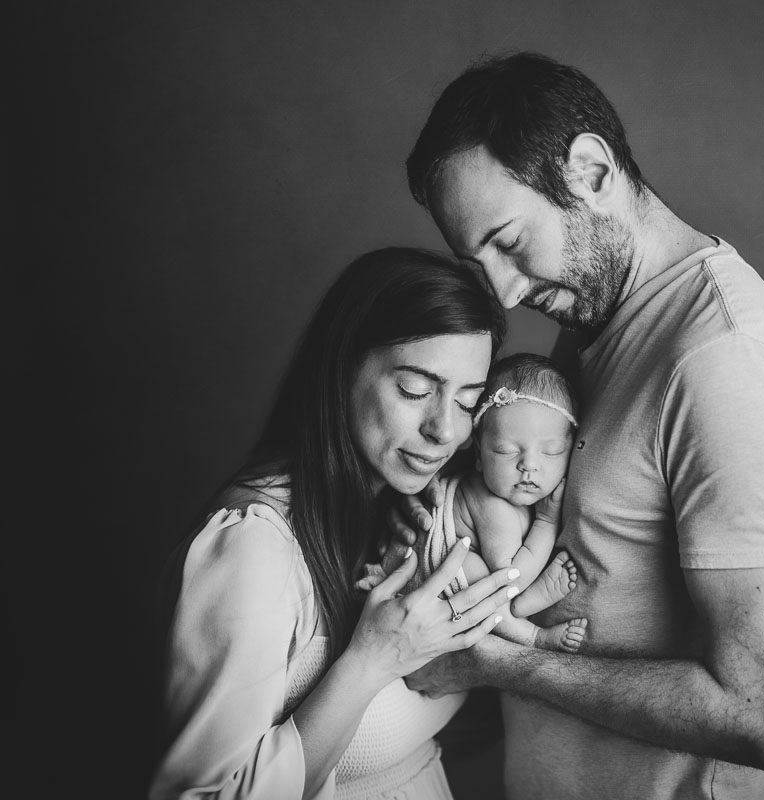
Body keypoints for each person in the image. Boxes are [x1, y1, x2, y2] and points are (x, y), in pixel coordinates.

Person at [400, 52, 764, 799]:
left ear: (593, 172)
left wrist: (498, 661)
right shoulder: (595, 324)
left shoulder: (725, 362)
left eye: (508, 241)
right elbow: (599, 591)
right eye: (478, 262)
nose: (501, 294)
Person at [150, 247, 524, 800]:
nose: (445, 429)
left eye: (469, 402)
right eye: (415, 390)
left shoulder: (408, 515)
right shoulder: (255, 547)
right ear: (343, 368)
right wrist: (373, 661)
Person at [359, 352, 588, 654]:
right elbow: (509, 577)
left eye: (552, 451)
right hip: (424, 582)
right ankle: (533, 634)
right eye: (507, 451)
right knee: (479, 579)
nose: (529, 465)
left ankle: (527, 601)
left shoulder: (509, 489)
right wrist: (546, 522)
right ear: (478, 455)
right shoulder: (493, 505)